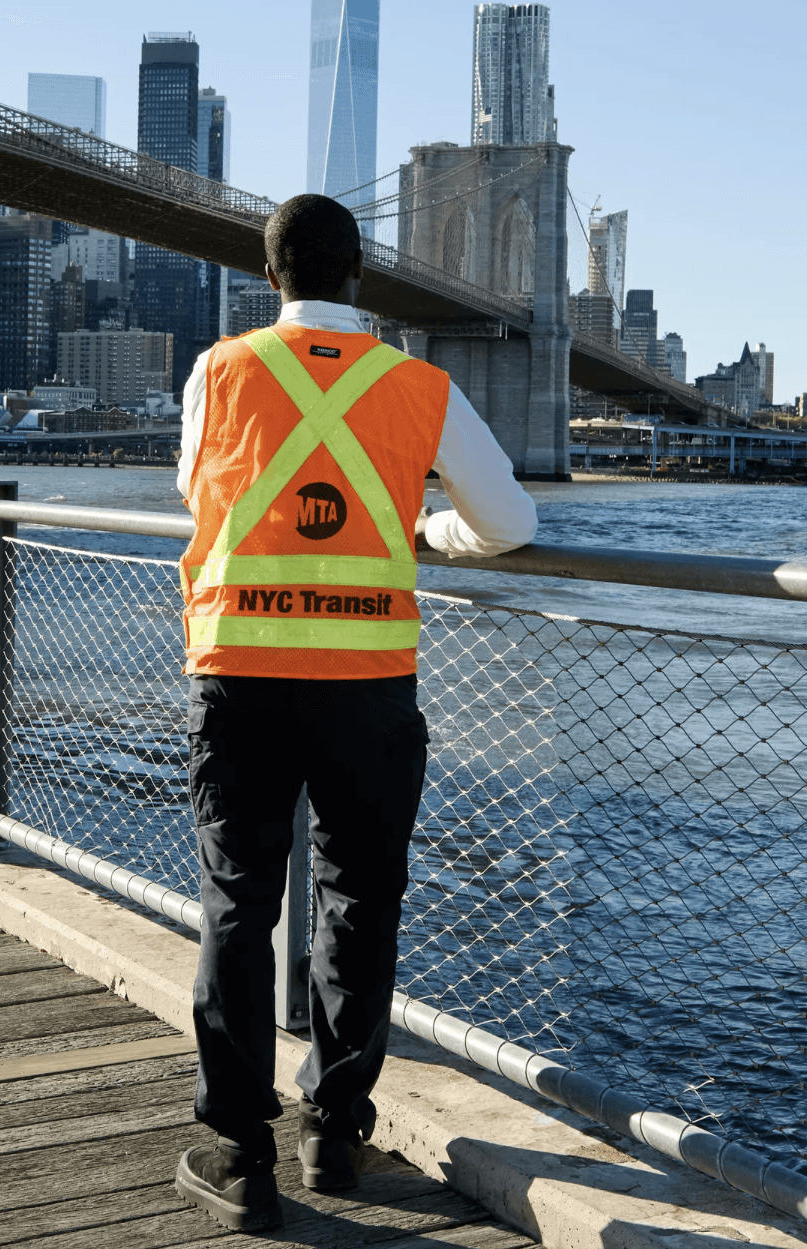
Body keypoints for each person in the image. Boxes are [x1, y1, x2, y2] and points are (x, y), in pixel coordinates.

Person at [173, 193, 537, 1233]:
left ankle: (241, 1154)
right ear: (359, 273)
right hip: (368, 684)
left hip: (239, 669)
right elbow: (509, 522)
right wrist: (425, 530)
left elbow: (195, 497)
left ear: (272, 273)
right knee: (360, 901)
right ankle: (336, 1131)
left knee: (240, 903)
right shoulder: (419, 385)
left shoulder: (220, 370)